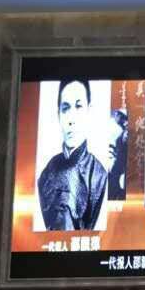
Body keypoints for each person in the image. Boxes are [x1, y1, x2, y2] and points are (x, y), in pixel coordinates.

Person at [37, 79, 108, 231]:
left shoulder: (99, 175)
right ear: (58, 114)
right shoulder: (47, 173)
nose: (71, 119)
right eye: (65, 108)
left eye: (78, 107)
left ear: (89, 111)